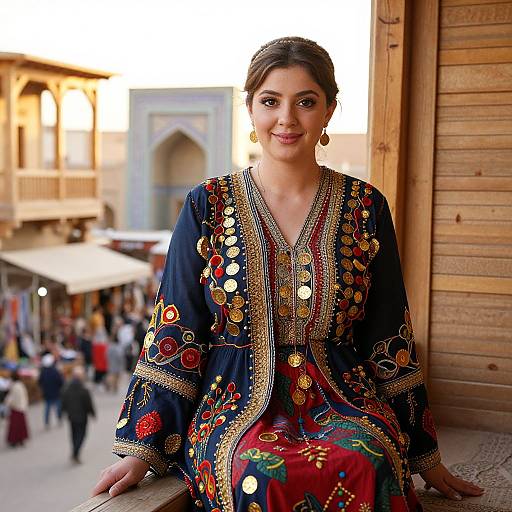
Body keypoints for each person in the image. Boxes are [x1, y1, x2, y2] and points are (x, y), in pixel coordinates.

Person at [93, 37, 485, 510]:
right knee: (255, 474)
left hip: (343, 396)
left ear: (329, 111)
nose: (287, 118)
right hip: (234, 403)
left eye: (306, 102)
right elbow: (178, 329)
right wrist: (142, 449)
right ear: (251, 110)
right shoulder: (208, 206)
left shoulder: (365, 208)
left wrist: (426, 455)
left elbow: (389, 335)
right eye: (271, 101)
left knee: (368, 461)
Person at [61, 365, 96, 463]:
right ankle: (76, 452)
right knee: (81, 435)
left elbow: (63, 401)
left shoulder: (67, 388)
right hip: (82, 417)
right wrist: (92, 413)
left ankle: (74, 451)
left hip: (71, 416)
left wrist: (63, 411)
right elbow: (88, 403)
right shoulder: (83, 389)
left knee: (73, 434)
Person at [38, 353, 64, 428]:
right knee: (58, 408)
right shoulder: (55, 372)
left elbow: (39, 382)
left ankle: (46, 423)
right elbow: (61, 382)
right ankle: (59, 419)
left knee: (47, 409)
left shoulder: (43, 372)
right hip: (56, 393)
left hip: (47, 394)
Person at [5, 369, 29, 447]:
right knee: (21, 425)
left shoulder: (14, 386)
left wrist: (8, 402)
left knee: (15, 426)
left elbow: (12, 398)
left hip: (16, 407)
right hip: (21, 407)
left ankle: (14, 440)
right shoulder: (21, 385)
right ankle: (21, 439)